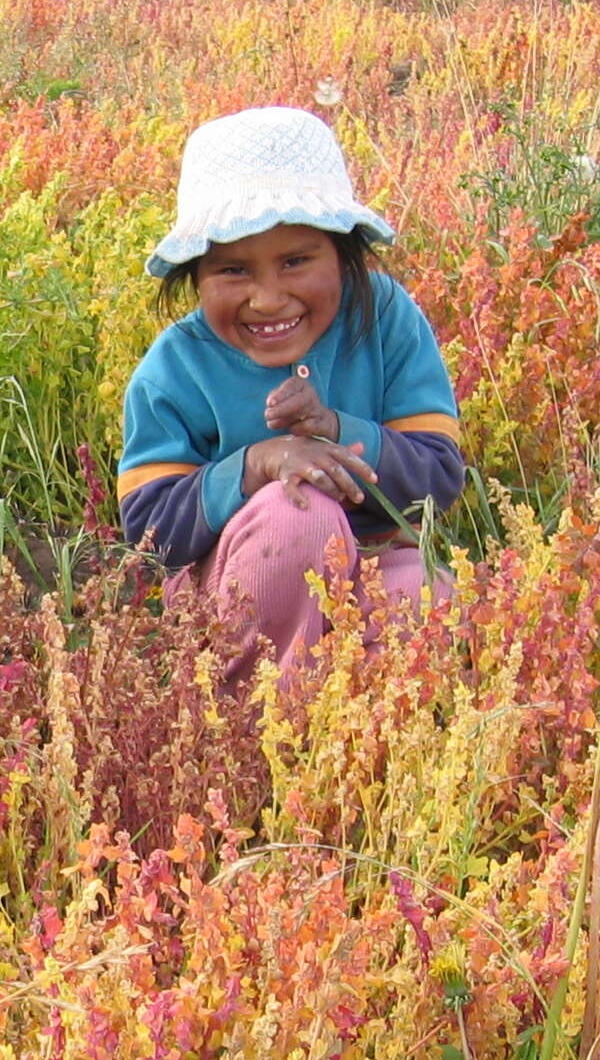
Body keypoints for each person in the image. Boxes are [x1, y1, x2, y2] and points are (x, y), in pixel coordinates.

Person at [118, 106, 464, 681]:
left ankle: (336, 744)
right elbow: (152, 534)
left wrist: (335, 430)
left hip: (373, 565)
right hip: (233, 589)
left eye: (296, 261)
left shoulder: (386, 318)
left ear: (345, 257)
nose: (269, 299)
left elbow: (437, 481)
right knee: (296, 515)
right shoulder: (175, 367)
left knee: (438, 605)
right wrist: (258, 466)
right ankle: (253, 730)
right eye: (233, 271)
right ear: (195, 278)